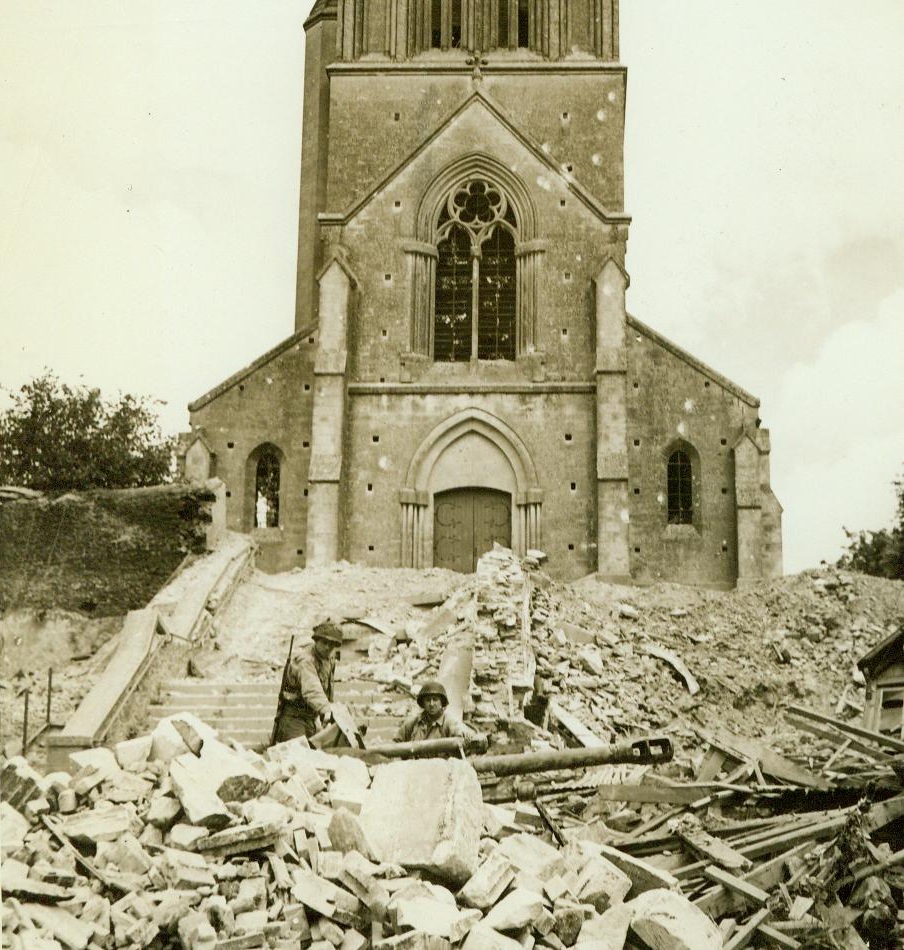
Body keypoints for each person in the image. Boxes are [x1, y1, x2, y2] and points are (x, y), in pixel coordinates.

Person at [272, 620, 343, 743]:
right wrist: (327, 710)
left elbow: (328, 688)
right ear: (316, 640)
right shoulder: (306, 660)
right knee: (297, 755)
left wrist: (328, 713)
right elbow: (312, 690)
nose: (328, 647)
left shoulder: (329, 659)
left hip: (312, 718)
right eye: (324, 642)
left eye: (332, 644)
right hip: (294, 718)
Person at [394, 680, 487, 752]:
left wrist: (474, 739)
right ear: (423, 703)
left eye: (435, 699)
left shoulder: (449, 722)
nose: (431, 704)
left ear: (441, 702)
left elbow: (470, 737)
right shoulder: (414, 722)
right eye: (428, 700)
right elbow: (396, 743)